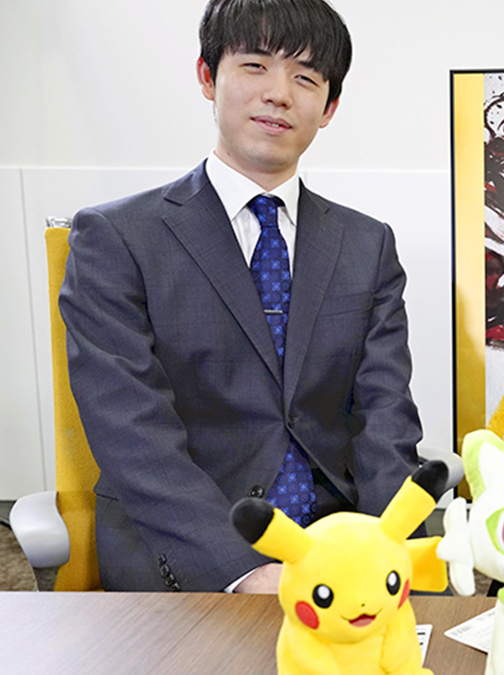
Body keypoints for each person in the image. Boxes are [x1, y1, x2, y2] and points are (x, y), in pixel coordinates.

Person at [59, 0, 423, 592]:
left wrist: (388, 556)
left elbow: (386, 420)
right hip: (189, 556)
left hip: (342, 555)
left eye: (305, 78)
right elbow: (132, 433)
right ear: (208, 76)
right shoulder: (116, 238)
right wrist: (244, 571)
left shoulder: (367, 244)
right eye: (255, 66)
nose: (278, 94)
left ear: (329, 107)